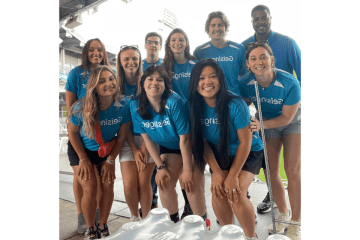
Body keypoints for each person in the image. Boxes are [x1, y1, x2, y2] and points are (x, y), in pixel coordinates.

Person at [189, 59, 262, 240]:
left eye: (213, 76)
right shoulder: (194, 105)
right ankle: (230, 235)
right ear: (195, 82)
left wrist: (232, 176)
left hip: (248, 151)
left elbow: (245, 142)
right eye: (202, 78)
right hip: (220, 153)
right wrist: (215, 171)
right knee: (218, 189)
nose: (207, 82)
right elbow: (203, 141)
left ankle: (250, 236)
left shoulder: (235, 104)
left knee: (235, 192)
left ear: (221, 80)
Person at [241, 4, 302, 216]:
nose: (260, 21)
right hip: (266, 117)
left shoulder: (288, 45)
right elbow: (241, 98)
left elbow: (302, 78)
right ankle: (282, 212)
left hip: (291, 117)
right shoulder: (245, 58)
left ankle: (295, 219)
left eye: (263, 17)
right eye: (255, 18)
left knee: (293, 170)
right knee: (270, 171)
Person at [130, 65, 207, 224]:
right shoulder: (135, 105)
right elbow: (147, 138)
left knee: (190, 184)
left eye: (160, 80)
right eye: (150, 79)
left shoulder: (174, 102)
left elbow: (185, 140)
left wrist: (186, 170)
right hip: (169, 146)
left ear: (165, 85)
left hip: (191, 144)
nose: (154, 83)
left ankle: (202, 226)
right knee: (163, 182)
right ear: (143, 83)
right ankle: (173, 224)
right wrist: (160, 167)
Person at [67, 65, 131, 239]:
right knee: (90, 188)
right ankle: (90, 228)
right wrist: (83, 159)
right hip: (81, 149)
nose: (108, 83)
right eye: (102, 81)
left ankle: (103, 223)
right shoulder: (81, 107)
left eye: (111, 79)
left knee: (108, 184)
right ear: (94, 85)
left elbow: (121, 136)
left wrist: (110, 161)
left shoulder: (124, 104)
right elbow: (72, 132)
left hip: (106, 151)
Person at [65, 38, 111, 233]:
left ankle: (97, 216)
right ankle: (82, 215)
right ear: (85, 52)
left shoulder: (109, 72)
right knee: (82, 177)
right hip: (80, 133)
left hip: (100, 138)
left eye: (99, 50)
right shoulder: (76, 73)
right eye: (91, 50)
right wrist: (79, 127)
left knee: (99, 181)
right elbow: (70, 108)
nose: (96, 53)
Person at [116, 45, 155, 221]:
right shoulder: (116, 87)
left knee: (144, 182)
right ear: (120, 63)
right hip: (127, 138)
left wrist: (144, 150)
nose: (131, 62)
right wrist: (134, 148)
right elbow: (124, 122)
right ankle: (134, 217)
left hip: (149, 139)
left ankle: (146, 219)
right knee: (130, 185)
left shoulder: (147, 82)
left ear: (140, 61)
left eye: (134, 58)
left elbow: (151, 119)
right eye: (126, 59)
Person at [139, 32, 164, 217]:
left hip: (164, 119)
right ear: (145, 45)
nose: (153, 45)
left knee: (163, 163)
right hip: (145, 118)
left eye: (156, 43)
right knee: (150, 165)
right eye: (150, 42)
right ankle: (151, 202)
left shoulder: (165, 65)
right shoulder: (139, 66)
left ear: (160, 46)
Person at [193, 11, 247, 96]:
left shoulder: (239, 49)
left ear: (226, 28)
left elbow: (245, 76)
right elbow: (197, 79)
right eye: (213, 25)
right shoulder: (199, 52)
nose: (217, 28)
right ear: (208, 29)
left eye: (220, 25)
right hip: (210, 99)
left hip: (234, 98)